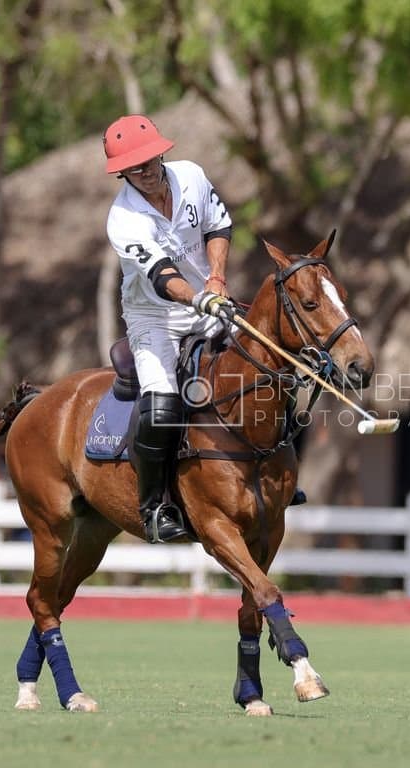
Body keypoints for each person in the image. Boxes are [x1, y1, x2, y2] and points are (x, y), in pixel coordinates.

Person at [103, 114, 238, 544]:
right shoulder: (123, 219)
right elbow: (163, 278)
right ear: (122, 172)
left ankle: (272, 471)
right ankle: (154, 507)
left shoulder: (192, 176)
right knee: (161, 406)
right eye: (134, 167)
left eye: (150, 160)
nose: (144, 171)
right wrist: (199, 297)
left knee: (261, 369)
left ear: (163, 152)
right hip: (153, 315)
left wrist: (215, 279)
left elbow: (219, 226)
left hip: (208, 297)